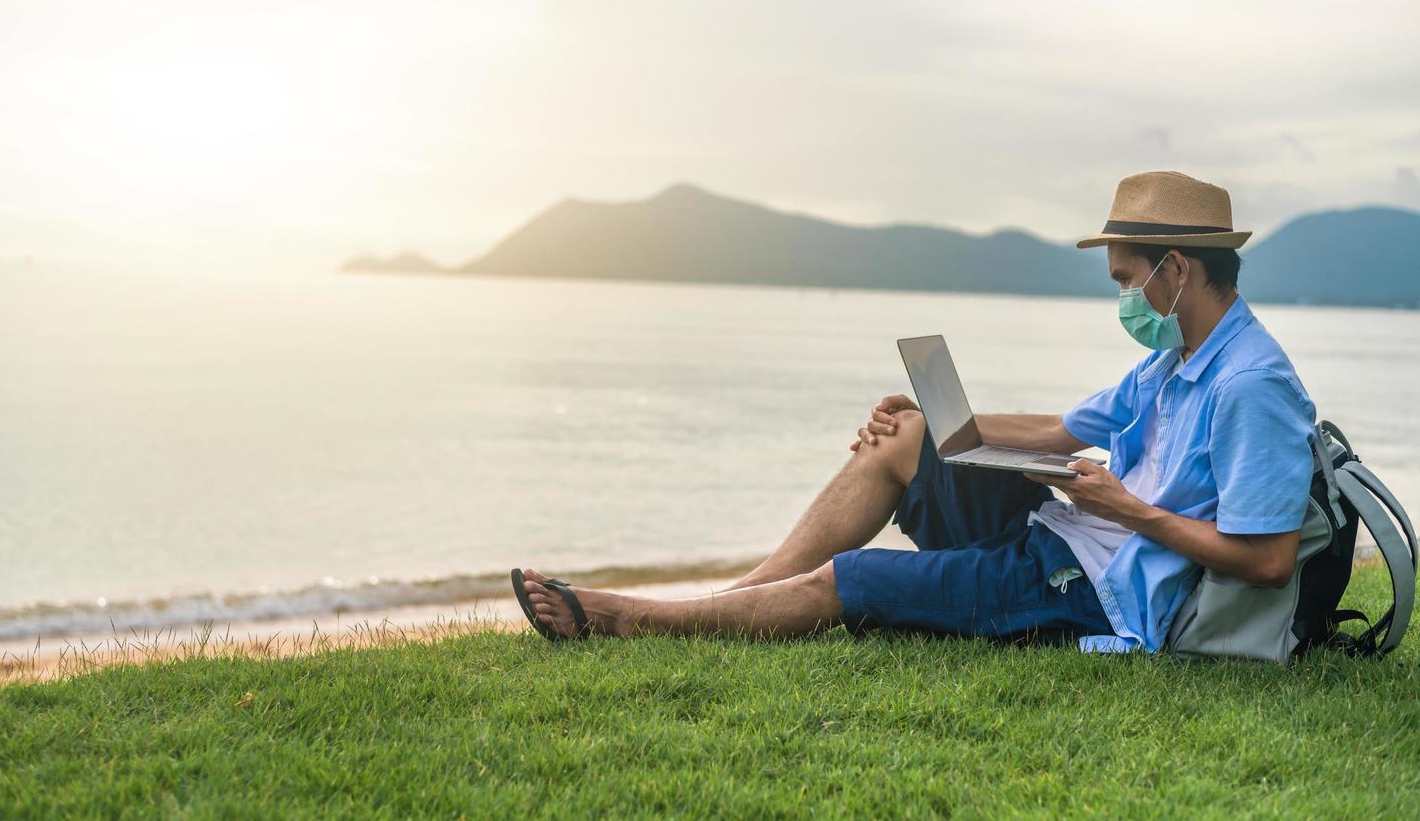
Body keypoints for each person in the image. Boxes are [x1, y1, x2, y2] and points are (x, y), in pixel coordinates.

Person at [514, 170, 1317, 653]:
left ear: (1175, 269)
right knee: (903, 438)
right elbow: (1062, 432)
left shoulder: (1248, 386)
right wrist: (944, 426)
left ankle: (632, 622)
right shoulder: (1172, 359)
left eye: (1123, 278)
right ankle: (740, 594)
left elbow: (1266, 560)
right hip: (1075, 533)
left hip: (1101, 589)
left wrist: (1124, 507)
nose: (1120, 296)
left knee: (851, 582)